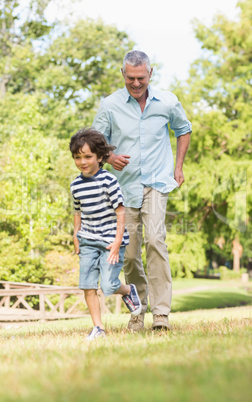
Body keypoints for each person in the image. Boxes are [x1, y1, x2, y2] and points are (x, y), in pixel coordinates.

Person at [93, 50, 192, 331]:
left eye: (141, 78)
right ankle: (138, 310)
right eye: (130, 78)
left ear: (151, 74)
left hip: (157, 182)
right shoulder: (110, 105)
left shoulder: (168, 102)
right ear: (122, 75)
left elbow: (184, 129)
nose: (136, 84)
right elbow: (95, 141)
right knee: (131, 253)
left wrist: (179, 167)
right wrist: (109, 158)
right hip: (124, 189)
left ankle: (161, 314)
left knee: (156, 242)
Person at [69, 127, 142, 340]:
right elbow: (77, 212)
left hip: (111, 240)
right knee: (87, 284)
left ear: (100, 157)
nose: (83, 162)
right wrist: (76, 236)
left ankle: (129, 290)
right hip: (88, 241)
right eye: (77, 157)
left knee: (108, 285)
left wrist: (118, 242)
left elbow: (121, 212)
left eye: (88, 157)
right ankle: (98, 327)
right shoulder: (75, 185)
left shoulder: (109, 181)